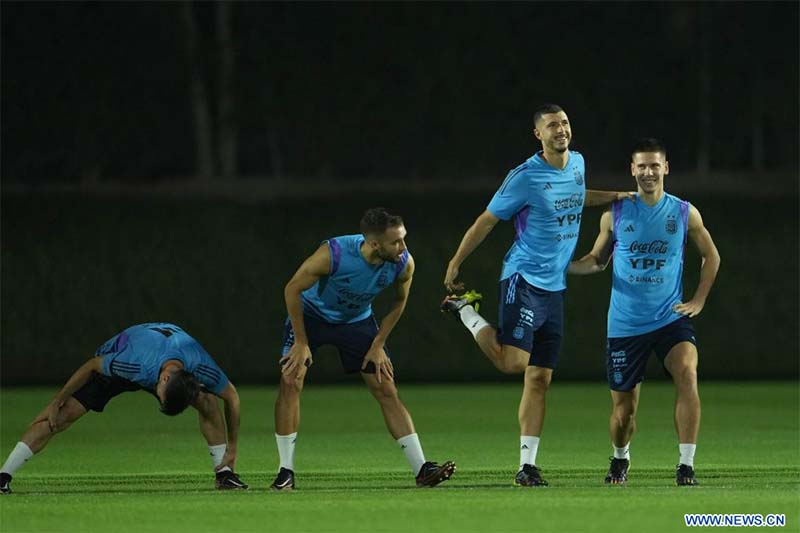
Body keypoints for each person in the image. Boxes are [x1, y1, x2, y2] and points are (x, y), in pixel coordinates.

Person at [441, 103, 631, 487]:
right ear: (538, 135)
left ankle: (527, 466)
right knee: (513, 363)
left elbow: (578, 194)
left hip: (554, 288)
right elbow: (486, 220)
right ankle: (465, 311)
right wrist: (455, 262)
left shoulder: (576, 162)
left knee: (540, 378)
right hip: (522, 280)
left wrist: (617, 196)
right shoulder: (525, 177)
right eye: (551, 126)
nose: (560, 129)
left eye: (563, 122)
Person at [568, 137, 720, 485]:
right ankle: (620, 457)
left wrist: (698, 300)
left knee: (687, 372)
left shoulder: (684, 212)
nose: (649, 172)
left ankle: (686, 466)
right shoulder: (615, 214)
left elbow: (711, 256)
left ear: (665, 168)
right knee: (624, 413)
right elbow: (595, 262)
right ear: (632, 169)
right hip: (625, 325)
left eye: (655, 165)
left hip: (670, 319)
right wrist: (559, 266)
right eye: (642, 165)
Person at [272, 207, 455, 491]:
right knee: (290, 380)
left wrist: (379, 343)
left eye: (403, 239)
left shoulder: (403, 263)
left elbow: (399, 302)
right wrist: (301, 341)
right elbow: (292, 289)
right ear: (374, 244)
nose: (403, 247)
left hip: (356, 323)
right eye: (396, 241)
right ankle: (286, 473)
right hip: (311, 316)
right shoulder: (333, 254)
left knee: (385, 385)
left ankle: (422, 469)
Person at [0, 323, 247, 494]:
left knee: (208, 401)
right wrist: (57, 400)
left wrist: (233, 447)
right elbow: (93, 365)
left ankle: (224, 473)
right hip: (119, 358)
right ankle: (4, 476)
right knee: (61, 417)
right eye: (162, 399)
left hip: (165, 353)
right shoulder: (134, 364)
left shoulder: (200, 366)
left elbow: (232, 397)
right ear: (161, 381)